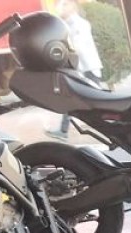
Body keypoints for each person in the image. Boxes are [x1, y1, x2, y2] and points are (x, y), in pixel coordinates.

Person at [47, 0, 103, 139]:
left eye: (64, 4)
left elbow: (77, 48)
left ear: (73, 6)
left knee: (98, 103)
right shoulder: (67, 24)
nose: (60, 8)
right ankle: (63, 131)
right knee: (72, 100)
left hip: (87, 69)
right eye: (59, 5)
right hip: (82, 69)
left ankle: (115, 131)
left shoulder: (79, 24)